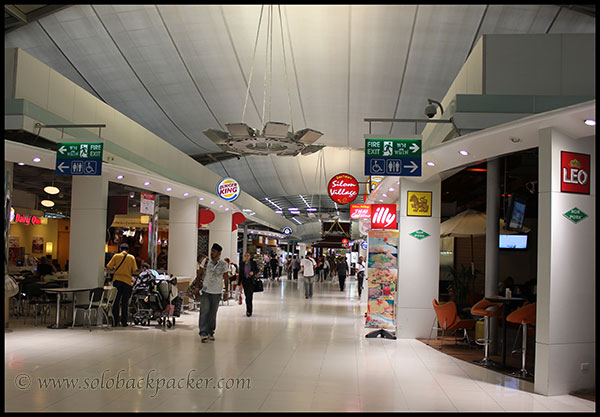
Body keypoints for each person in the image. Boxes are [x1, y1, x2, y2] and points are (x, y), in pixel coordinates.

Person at [198, 243, 229, 343]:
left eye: (214, 251)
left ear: (219, 253)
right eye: (211, 251)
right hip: (206, 290)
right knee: (204, 311)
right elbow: (199, 274)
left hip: (217, 291)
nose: (212, 253)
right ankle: (203, 332)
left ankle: (211, 331)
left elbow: (226, 278)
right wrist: (197, 287)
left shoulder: (223, 264)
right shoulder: (206, 262)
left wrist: (226, 292)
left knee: (213, 313)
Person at [107, 243, 138, 327]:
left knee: (116, 302)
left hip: (117, 281)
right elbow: (134, 270)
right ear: (128, 250)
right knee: (125, 303)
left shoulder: (116, 256)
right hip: (127, 282)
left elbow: (109, 266)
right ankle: (124, 322)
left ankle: (115, 322)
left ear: (120, 249)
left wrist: (115, 268)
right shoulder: (131, 258)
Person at [238, 252, 259, 317]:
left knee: (249, 296)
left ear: (250, 256)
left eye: (248, 256)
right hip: (245, 281)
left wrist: (253, 272)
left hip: (251, 281)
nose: (246, 257)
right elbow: (240, 274)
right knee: (247, 295)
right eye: (245, 256)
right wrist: (239, 283)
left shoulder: (253, 263)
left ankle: (249, 311)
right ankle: (249, 309)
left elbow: (257, 270)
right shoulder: (242, 264)